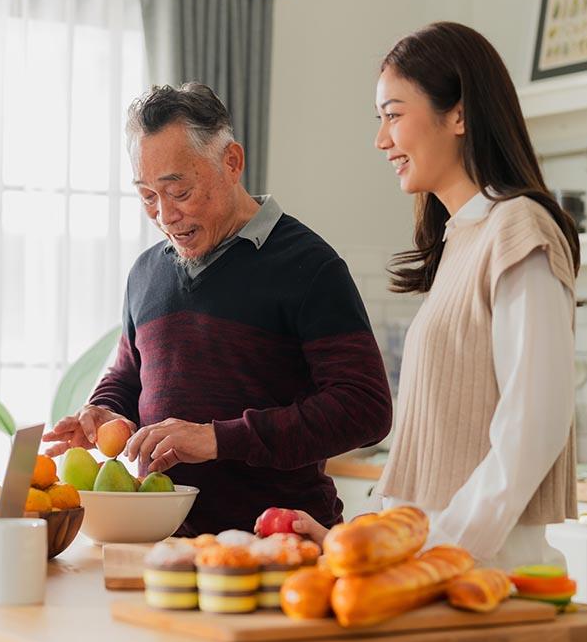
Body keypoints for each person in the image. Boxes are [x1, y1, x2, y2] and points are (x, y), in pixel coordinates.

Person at [278, 22, 580, 570]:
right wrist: (360, 540)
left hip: (486, 572)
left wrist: (436, 553)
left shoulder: (518, 230)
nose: (381, 139)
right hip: (436, 566)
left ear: (459, 114)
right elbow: (432, 449)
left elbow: (533, 426)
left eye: (393, 114)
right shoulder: (460, 238)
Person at [43, 83, 393, 534]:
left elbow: (365, 409)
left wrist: (215, 438)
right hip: (164, 544)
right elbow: (130, 377)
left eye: (179, 191)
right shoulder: (146, 273)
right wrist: (105, 411)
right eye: (148, 196)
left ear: (231, 162)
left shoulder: (309, 266)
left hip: (281, 543)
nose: (165, 216)